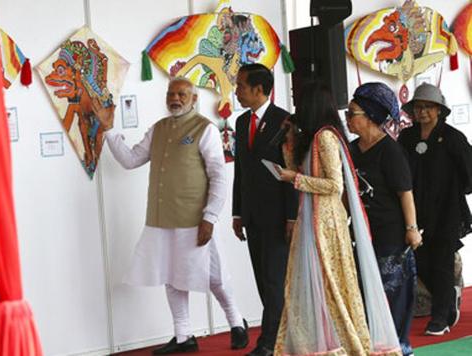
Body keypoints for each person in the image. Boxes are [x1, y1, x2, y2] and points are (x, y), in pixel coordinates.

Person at [95, 77, 248, 354]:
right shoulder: (159, 129)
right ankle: (183, 336)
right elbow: (130, 160)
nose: (175, 98)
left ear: (193, 99)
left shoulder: (206, 129)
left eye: (181, 94)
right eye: (171, 94)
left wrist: (210, 217)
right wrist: (107, 130)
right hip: (161, 218)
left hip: (195, 218)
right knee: (171, 275)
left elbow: (219, 176)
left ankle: (236, 322)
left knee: (214, 276)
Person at [274, 81, 401, 356]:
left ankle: (343, 343)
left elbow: (334, 185)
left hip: (326, 222)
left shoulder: (326, 137)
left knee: (332, 283)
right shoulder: (313, 137)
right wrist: (289, 146)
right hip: (311, 217)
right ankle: (322, 342)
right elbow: (302, 171)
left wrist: (294, 178)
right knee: (314, 283)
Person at [346, 82, 422, 355]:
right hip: (363, 235)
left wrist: (412, 228)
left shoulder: (390, 151)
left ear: (371, 117)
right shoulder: (352, 150)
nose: (347, 119)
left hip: (391, 236)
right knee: (367, 297)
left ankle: (400, 348)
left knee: (395, 297)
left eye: (353, 113)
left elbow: (406, 194)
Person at [231, 63, 298, 356]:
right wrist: (237, 212)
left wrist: (292, 216)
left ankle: (269, 343)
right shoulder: (242, 123)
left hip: (278, 216)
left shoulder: (285, 121)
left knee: (274, 281)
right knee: (263, 280)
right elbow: (240, 172)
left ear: (259, 89)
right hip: (252, 215)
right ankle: (280, 337)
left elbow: (292, 173)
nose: (237, 92)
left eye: (241, 86)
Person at [398, 83, 472, 336]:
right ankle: (449, 296)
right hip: (414, 212)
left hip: (446, 212)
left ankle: (441, 317)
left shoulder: (452, 138)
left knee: (441, 264)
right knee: (421, 263)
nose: (422, 112)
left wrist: (452, 192)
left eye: (428, 107)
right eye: (418, 107)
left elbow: (468, 173)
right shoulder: (406, 137)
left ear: (439, 110)